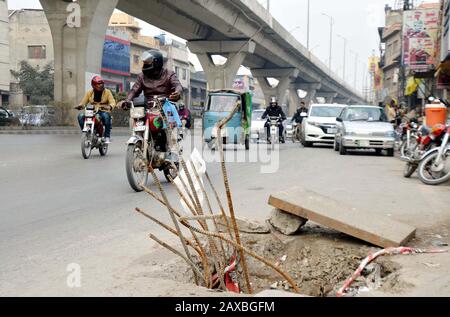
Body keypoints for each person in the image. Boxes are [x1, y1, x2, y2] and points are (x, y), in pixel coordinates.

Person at [121, 49, 184, 158]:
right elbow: (134, 90)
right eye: (144, 62)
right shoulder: (142, 76)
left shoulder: (169, 74)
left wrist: (177, 93)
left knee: (163, 125)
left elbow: (177, 85)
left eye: (147, 62)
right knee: (137, 119)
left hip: (165, 105)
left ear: (156, 62)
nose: (145, 64)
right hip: (148, 107)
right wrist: (127, 100)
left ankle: (168, 149)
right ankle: (141, 140)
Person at [76, 76, 116, 144]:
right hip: (91, 111)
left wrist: (110, 106)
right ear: (93, 85)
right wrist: (80, 106)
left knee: (106, 116)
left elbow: (112, 102)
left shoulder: (107, 92)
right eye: (98, 84)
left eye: (101, 84)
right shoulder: (89, 93)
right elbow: (83, 102)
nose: (101, 85)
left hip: (103, 111)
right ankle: (86, 133)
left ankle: (107, 137)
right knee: (80, 116)